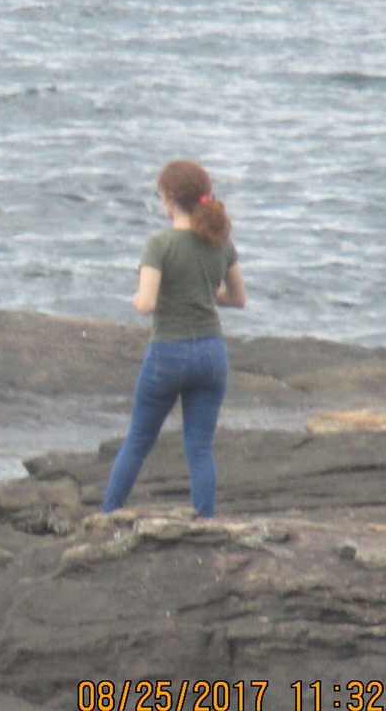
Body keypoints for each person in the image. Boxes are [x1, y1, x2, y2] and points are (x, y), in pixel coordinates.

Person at [100, 160, 246, 518]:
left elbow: (146, 304)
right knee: (200, 449)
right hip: (212, 354)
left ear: (169, 198)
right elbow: (237, 299)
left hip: (169, 353)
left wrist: (136, 297)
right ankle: (205, 523)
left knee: (138, 441)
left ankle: (108, 516)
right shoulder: (220, 242)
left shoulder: (159, 244)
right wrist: (203, 293)